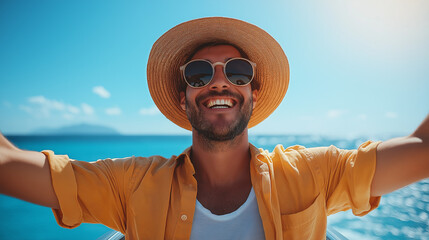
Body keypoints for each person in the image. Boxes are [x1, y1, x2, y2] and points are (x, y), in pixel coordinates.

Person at [0, 17, 428, 240]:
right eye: (200, 73)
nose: (219, 81)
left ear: (253, 93)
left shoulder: (313, 174)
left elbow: (421, 149)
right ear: (183, 95)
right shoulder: (132, 185)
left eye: (238, 71)